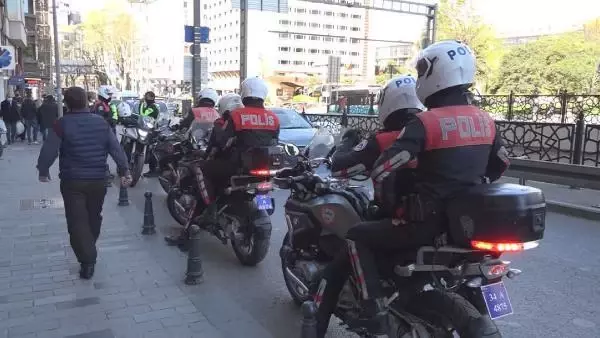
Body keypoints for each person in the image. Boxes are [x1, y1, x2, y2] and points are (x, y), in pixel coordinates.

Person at [312, 41, 510, 337]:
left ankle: (373, 310)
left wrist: (392, 201)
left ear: (435, 73)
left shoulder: (426, 122)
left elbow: (382, 169)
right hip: (462, 226)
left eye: (422, 70)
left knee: (355, 237)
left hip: (423, 224)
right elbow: (500, 165)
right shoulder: (485, 120)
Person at [164, 78, 280, 246]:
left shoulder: (237, 115)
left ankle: (208, 206)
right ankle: (262, 206)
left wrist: (210, 154)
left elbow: (221, 141)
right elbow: (274, 141)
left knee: (200, 169)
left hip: (235, 167)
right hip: (262, 169)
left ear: (245, 93)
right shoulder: (273, 118)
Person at [36, 86, 131, 280]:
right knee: (93, 217)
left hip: (73, 181)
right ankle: (89, 249)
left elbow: (50, 149)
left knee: (77, 222)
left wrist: (43, 170)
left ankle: (87, 259)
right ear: (86, 102)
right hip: (98, 180)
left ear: (67, 103)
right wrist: (124, 170)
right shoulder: (101, 123)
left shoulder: (61, 124)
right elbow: (116, 149)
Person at [136, 91, 161, 177]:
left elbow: (142, 114)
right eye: (147, 96)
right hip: (148, 129)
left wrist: (141, 104)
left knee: (151, 150)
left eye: (149, 97)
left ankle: (152, 170)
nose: (148, 98)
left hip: (152, 130)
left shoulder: (153, 107)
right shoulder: (151, 106)